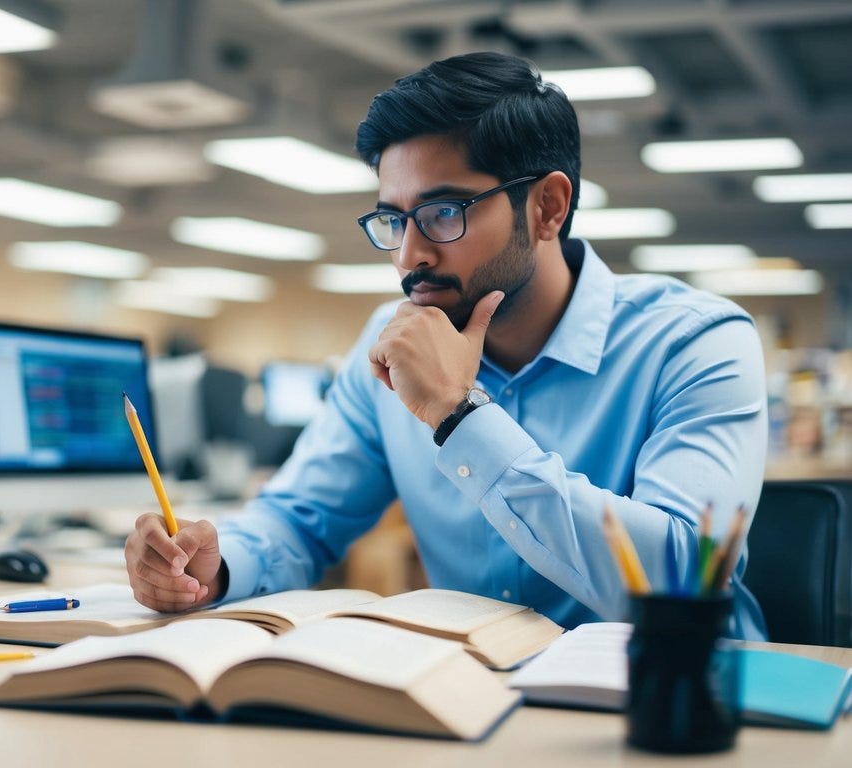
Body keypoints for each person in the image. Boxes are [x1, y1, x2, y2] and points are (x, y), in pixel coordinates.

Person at [123, 51, 767, 638]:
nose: (409, 254)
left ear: (547, 207)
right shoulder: (386, 342)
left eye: (444, 213)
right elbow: (298, 518)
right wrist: (216, 564)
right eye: (392, 219)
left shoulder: (694, 342)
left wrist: (461, 417)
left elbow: (686, 580)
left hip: (677, 706)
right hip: (473, 703)